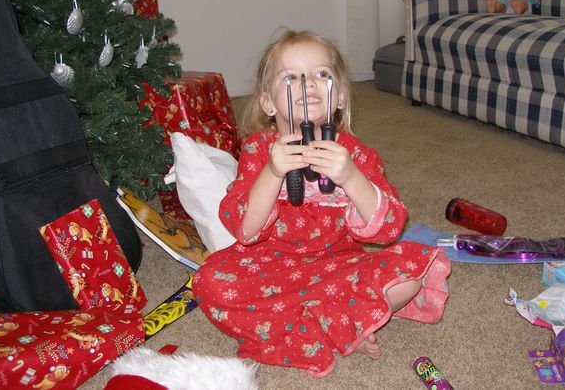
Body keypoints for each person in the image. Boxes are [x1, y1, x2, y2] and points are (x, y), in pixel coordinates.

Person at [192, 29, 451, 377]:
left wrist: (351, 177)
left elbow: (389, 227)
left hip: (337, 266)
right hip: (267, 268)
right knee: (209, 281)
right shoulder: (257, 150)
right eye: (291, 77)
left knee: (411, 274)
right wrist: (272, 172)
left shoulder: (353, 153)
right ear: (268, 103)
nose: (308, 84)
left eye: (321, 74)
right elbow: (245, 230)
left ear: (340, 96)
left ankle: (331, 319)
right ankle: (337, 324)